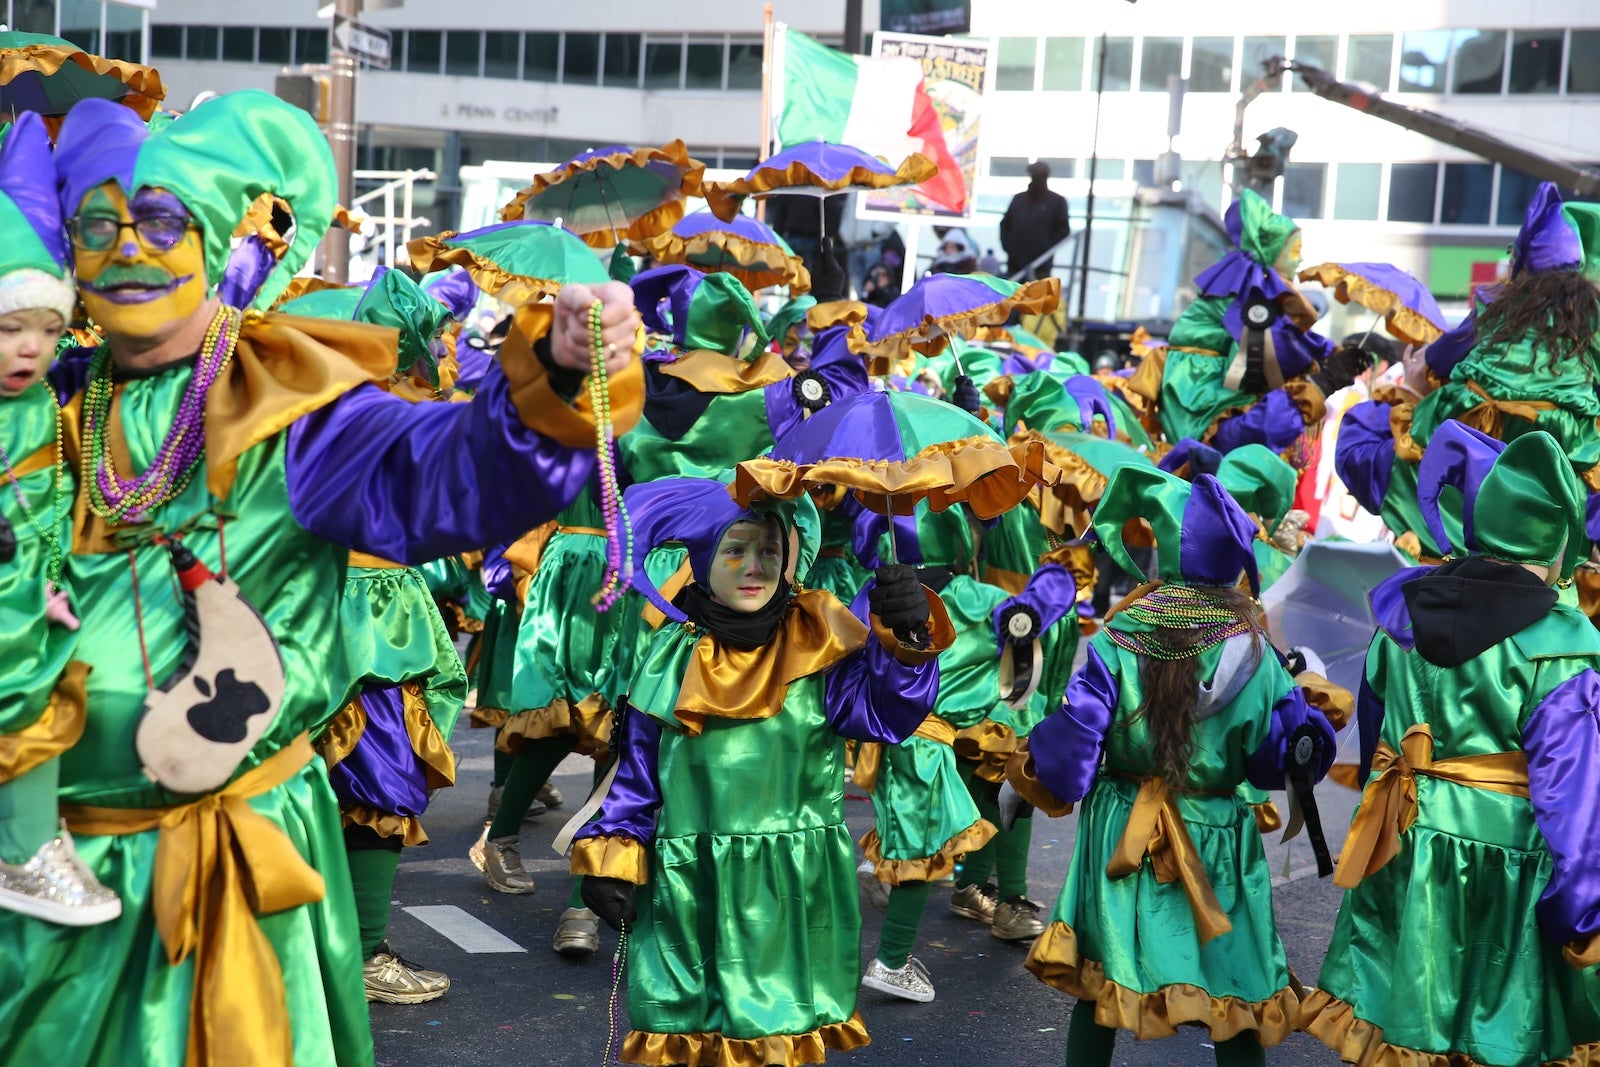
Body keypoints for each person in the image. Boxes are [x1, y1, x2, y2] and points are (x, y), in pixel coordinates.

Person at [0, 92, 643, 1067]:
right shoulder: (37, 399)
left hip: (229, 868)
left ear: (214, 239)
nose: (129, 247)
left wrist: (552, 378)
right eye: (99, 224)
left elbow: (444, 470)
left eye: (162, 221)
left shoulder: (293, 407)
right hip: (39, 872)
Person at [570, 477, 951, 1065]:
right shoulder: (670, 653)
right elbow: (638, 776)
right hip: (688, 888)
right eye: (735, 549)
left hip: (791, 887)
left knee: (774, 1035)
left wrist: (906, 638)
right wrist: (613, 860)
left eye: (769, 551)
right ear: (700, 559)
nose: (754, 567)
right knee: (688, 1033)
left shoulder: (816, 638)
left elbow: (883, 711)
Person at [1005, 465, 1336, 1066]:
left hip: (1122, 830)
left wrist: (1033, 773)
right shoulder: (1259, 657)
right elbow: (1272, 766)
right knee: (1234, 991)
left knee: (1101, 984)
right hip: (1218, 837)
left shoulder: (1117, 637)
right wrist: (1305, 711)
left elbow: (1075, 752)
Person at [1301, 420, 1600, 1064]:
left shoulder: (1401, 609)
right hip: (1502, 861)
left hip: (1402, 837)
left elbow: (1378, 738)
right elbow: (1572, 794)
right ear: (1554, 545)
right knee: (1492, 1031)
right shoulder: (1562, 644)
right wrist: (1584, 907)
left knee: (1405, 1022)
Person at [0, 112, 119, 927]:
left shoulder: (42, 405)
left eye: (48, 330)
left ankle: (29, 847)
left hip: (15, 597)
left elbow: (43, 509)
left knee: (43, 690)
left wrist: (45, 584)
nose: (31, 350)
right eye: (10, 328)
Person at [1000, 161, 1071, 280]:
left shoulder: (1057, 202)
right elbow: (1005, 225)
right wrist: (1011, 248)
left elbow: (1062, 231)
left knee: (1037, 295)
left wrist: (1043, 250)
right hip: (1015, 264)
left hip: (1040, 267)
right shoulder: (1019, 200)